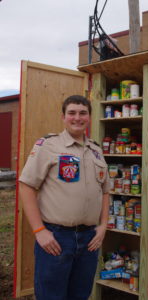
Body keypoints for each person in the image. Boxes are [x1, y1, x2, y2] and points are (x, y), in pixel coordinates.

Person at [19, 95, 110, 300]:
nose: (77, 117)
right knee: (52, 296)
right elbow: (26, 186)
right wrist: (39, 230)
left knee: (80, 295)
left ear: (89, 117)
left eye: (83, 113)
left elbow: (105, 190)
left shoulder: (96, 150)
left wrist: (103, 225)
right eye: (72, 113)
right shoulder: (48, 145)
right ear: (63, 117)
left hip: (89, 239)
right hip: (57, 238)